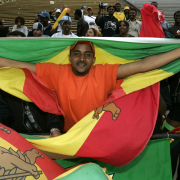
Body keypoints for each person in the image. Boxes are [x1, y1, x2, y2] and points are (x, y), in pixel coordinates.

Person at [0, 41, 180, 132]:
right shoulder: (56, 71)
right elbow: (13, 63)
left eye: (87, 55)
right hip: (69, 137)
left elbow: (143, 65)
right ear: (69, 58)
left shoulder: (103, 72)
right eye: (77, 54)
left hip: (100, 135)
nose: (81, 59)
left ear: (94, 60)